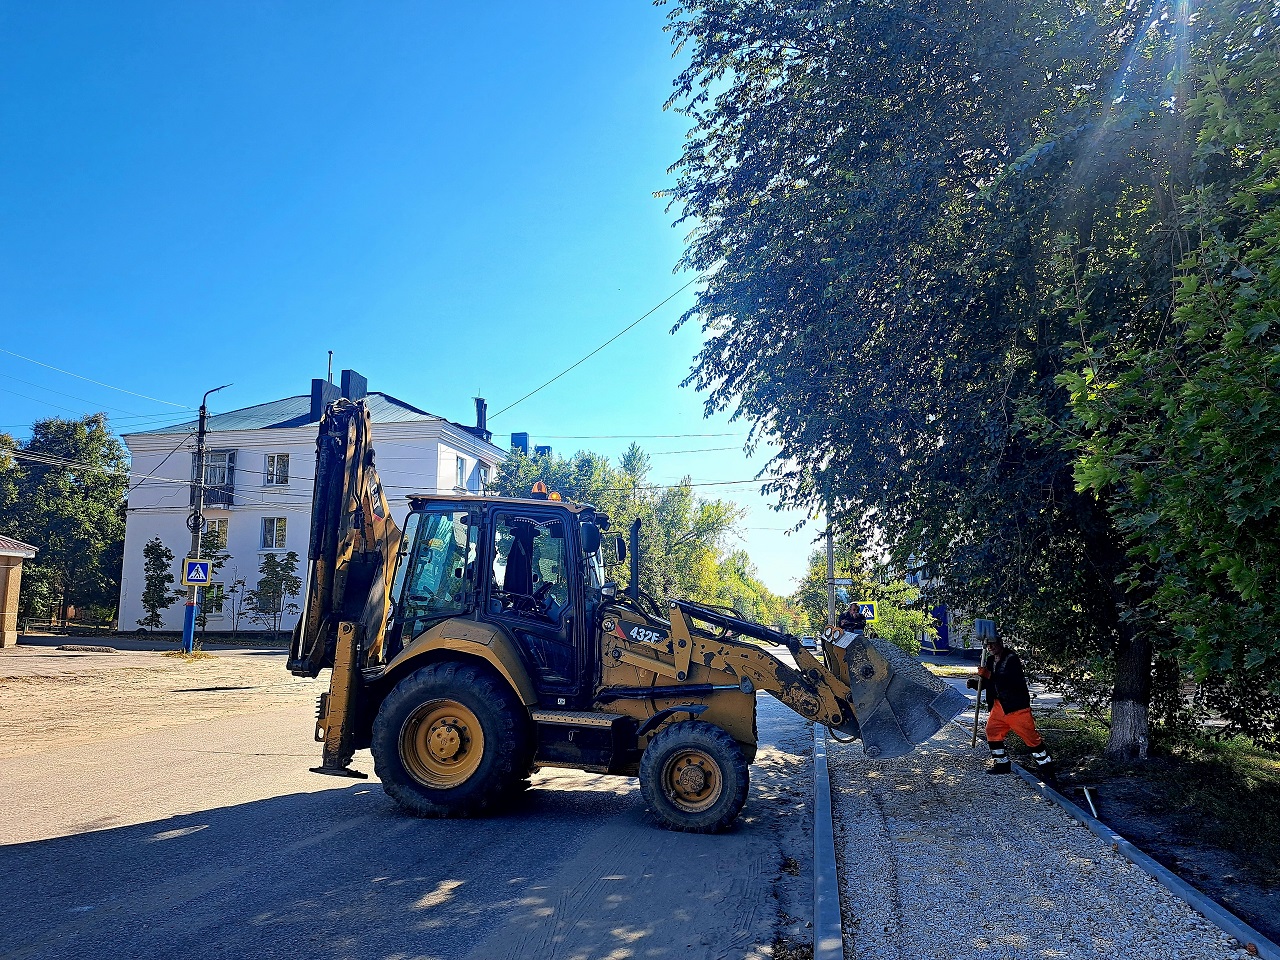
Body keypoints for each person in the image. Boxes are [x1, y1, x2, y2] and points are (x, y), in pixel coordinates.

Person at [967, 633, 1053, 775]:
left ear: (1001, 643)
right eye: (988, 644)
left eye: (993, 643)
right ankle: (1002, 764)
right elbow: (989, 683)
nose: (991, 647)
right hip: (998, 706)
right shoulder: (989, 660)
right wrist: (976, 684)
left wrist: (988, 675)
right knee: (992, 731)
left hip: (1016, 707)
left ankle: (1047, 768)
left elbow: (1010, 681)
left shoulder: (1011, 659)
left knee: (1030, 737)